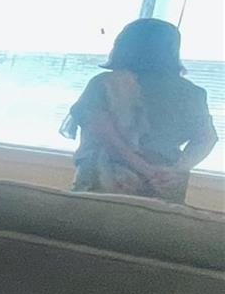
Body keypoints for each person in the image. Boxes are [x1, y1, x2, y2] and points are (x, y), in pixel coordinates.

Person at [62, 18, 218, 202]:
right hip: (165, 185)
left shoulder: (104, 84)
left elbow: (104, 135)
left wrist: (145, 169)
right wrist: (178, 169)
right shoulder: (192, 93)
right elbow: (207, 138)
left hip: (104, 182)